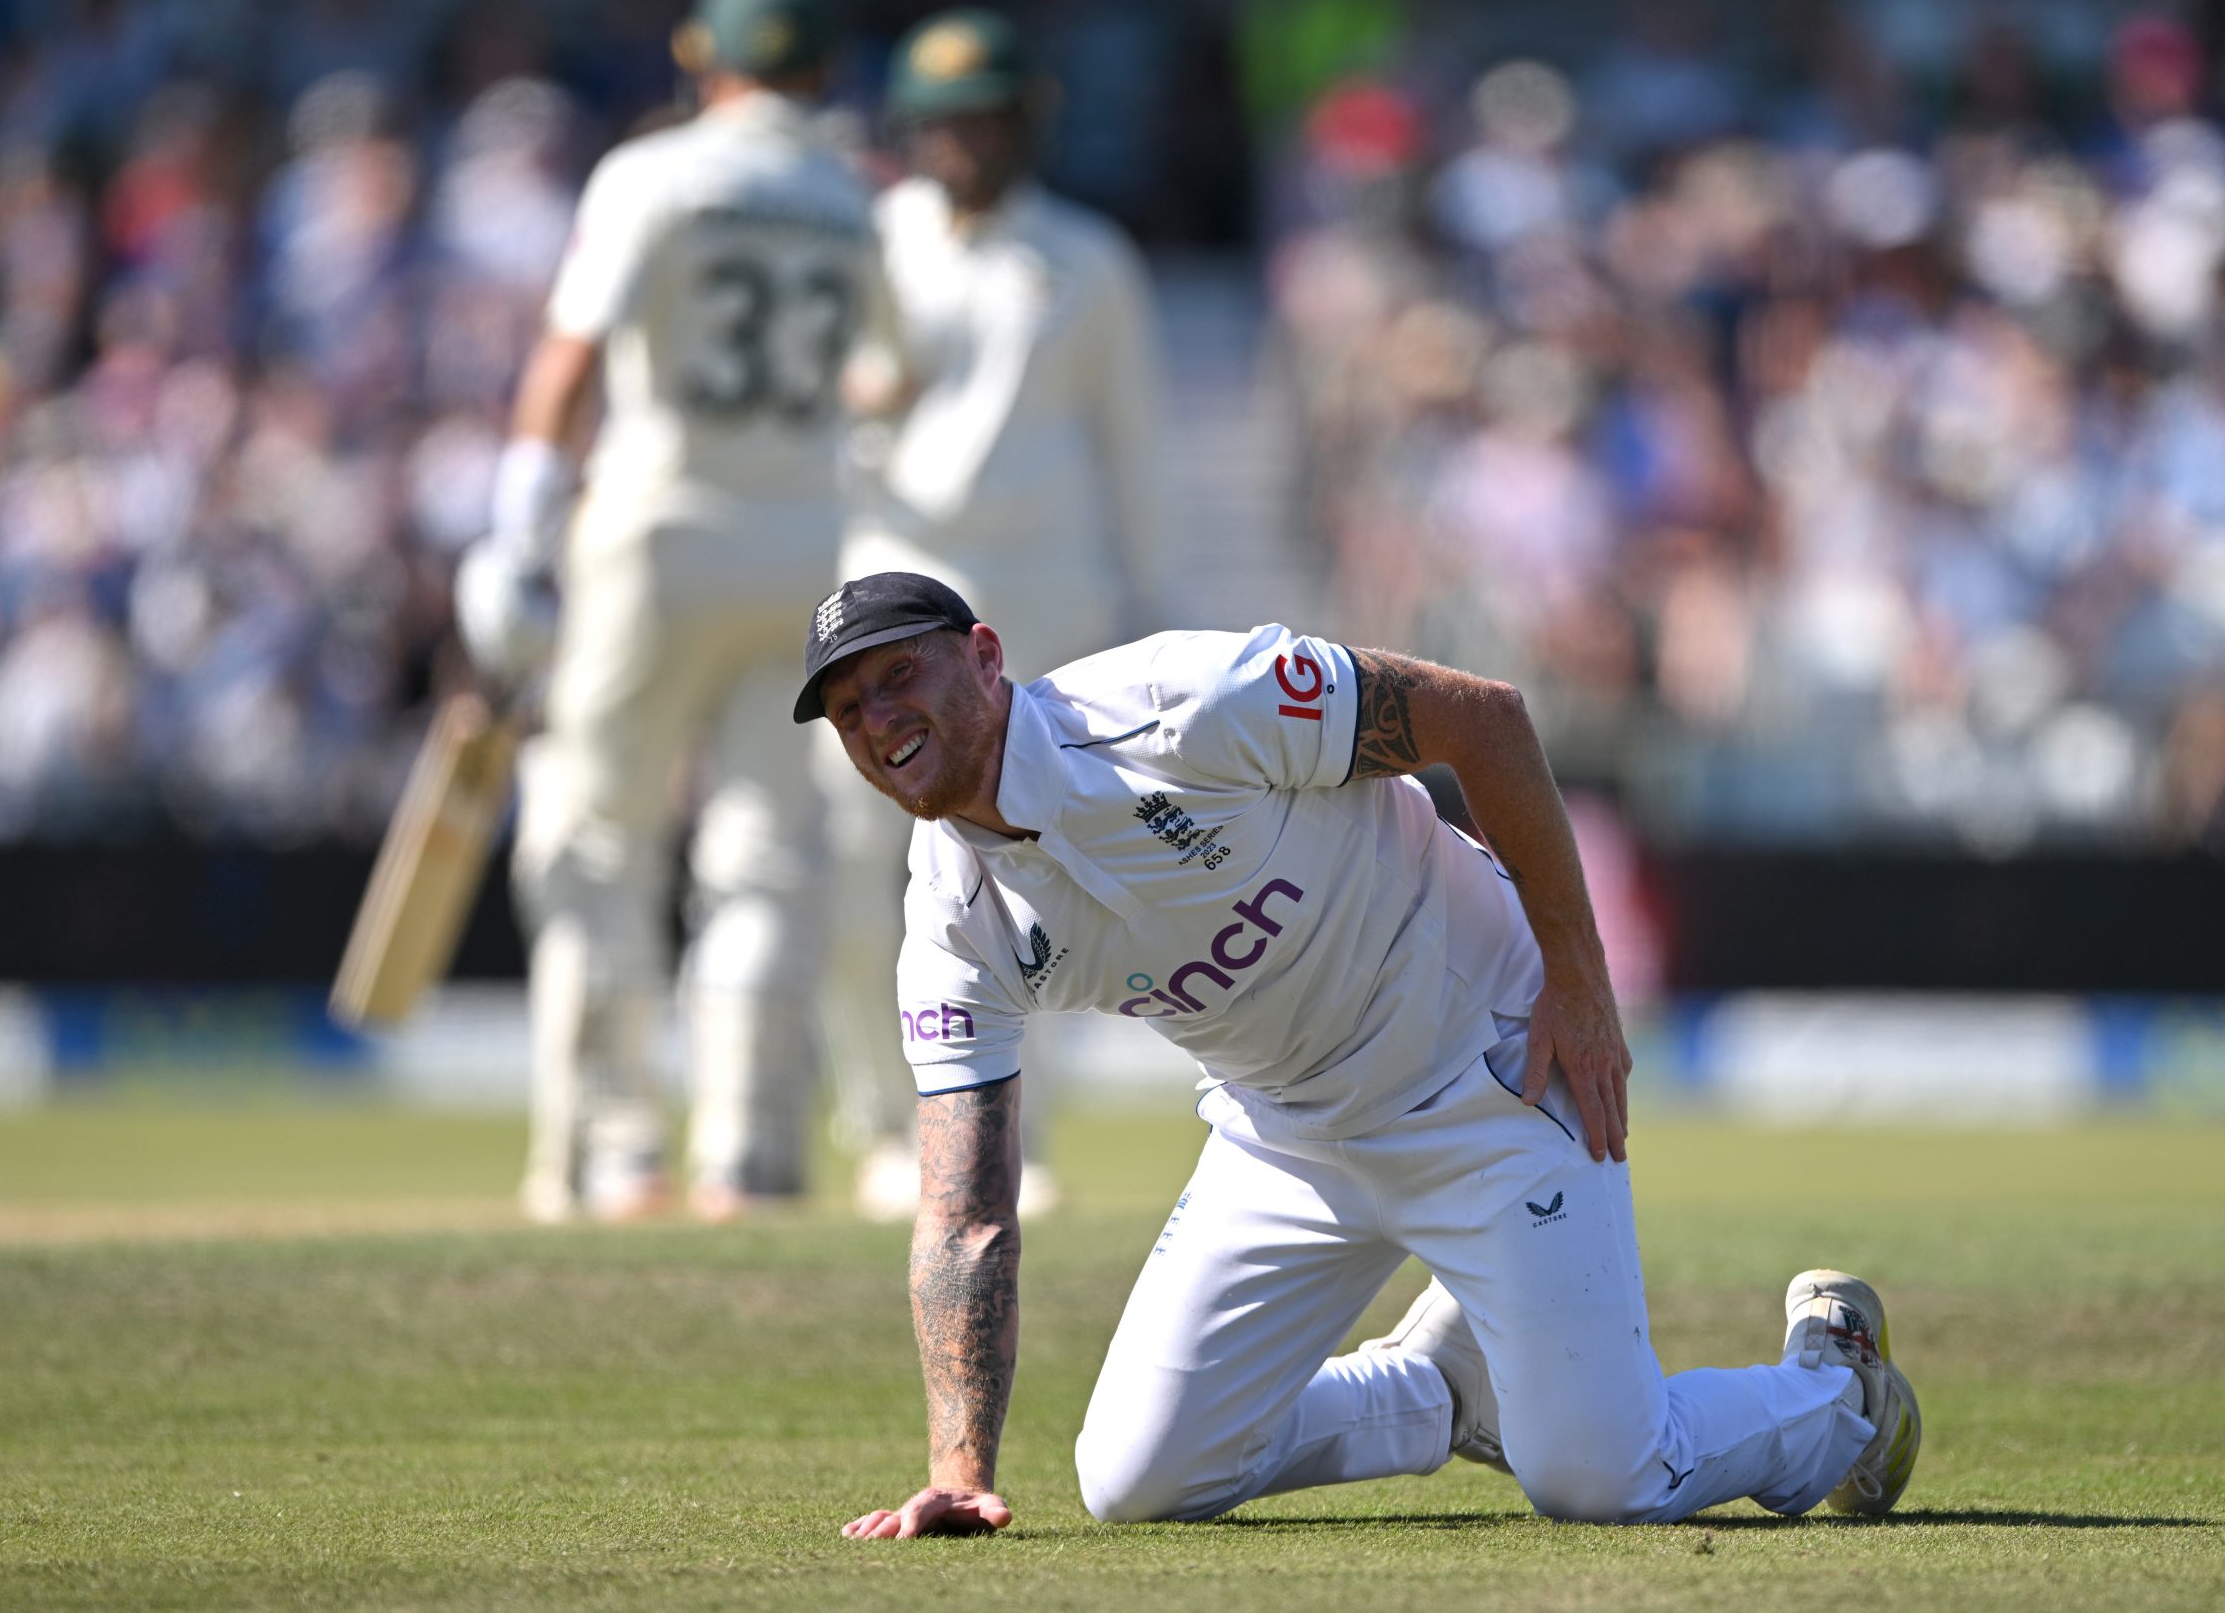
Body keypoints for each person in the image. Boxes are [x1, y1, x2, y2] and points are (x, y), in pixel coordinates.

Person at [791, 572, 1922, 1535]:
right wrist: (959, 1471)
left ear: (985, 657)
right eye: (847, 708)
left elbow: (1482, 718)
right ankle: (1441, 1392)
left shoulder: (1181, 700)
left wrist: (1577, 983)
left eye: (898, 674)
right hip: (1283, 1132)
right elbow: (963, 1213)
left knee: (1600, 1479)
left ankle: (1839, 1385)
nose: (878, 717)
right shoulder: (947, 921)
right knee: (1135, 1478)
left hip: (1485, 1066)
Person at [455, 0, 888, 1223]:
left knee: (594, 840)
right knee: (764, 854)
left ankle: (613, 1148)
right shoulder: (856, 198)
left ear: (709, 62)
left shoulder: (650, 175)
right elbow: (889, 377)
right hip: (808, 545)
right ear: (818, 71)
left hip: (658, 534)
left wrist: (513, 536)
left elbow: (568, 360)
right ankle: (745, 1156)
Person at [824, 7, 1162, 1221]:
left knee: (1046, 871)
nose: (963, 141)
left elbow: (1132, 452)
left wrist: (1148, 608)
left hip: (1040, 598)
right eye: (943, 121)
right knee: (865, 866)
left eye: (986, 119)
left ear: (1025, 124)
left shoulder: (1088, 258)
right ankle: (879, 1125)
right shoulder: (869, 241)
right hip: (881, 590)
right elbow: (813, 418)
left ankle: (1024, 1134)